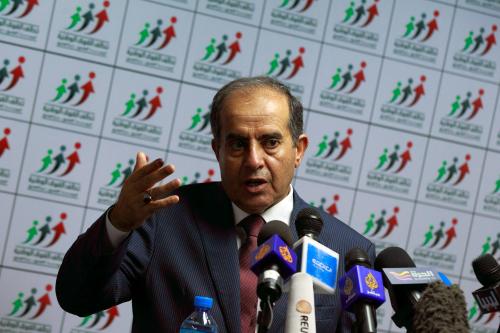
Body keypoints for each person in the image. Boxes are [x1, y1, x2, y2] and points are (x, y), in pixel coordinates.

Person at [56, 76, 374, 333]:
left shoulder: (348, 251)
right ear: (216, 150)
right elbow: (77, 297)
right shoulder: (162, 220)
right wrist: (119, 224)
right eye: (237, 144)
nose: (253, 160)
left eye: (271, 142)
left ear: (299, 150)